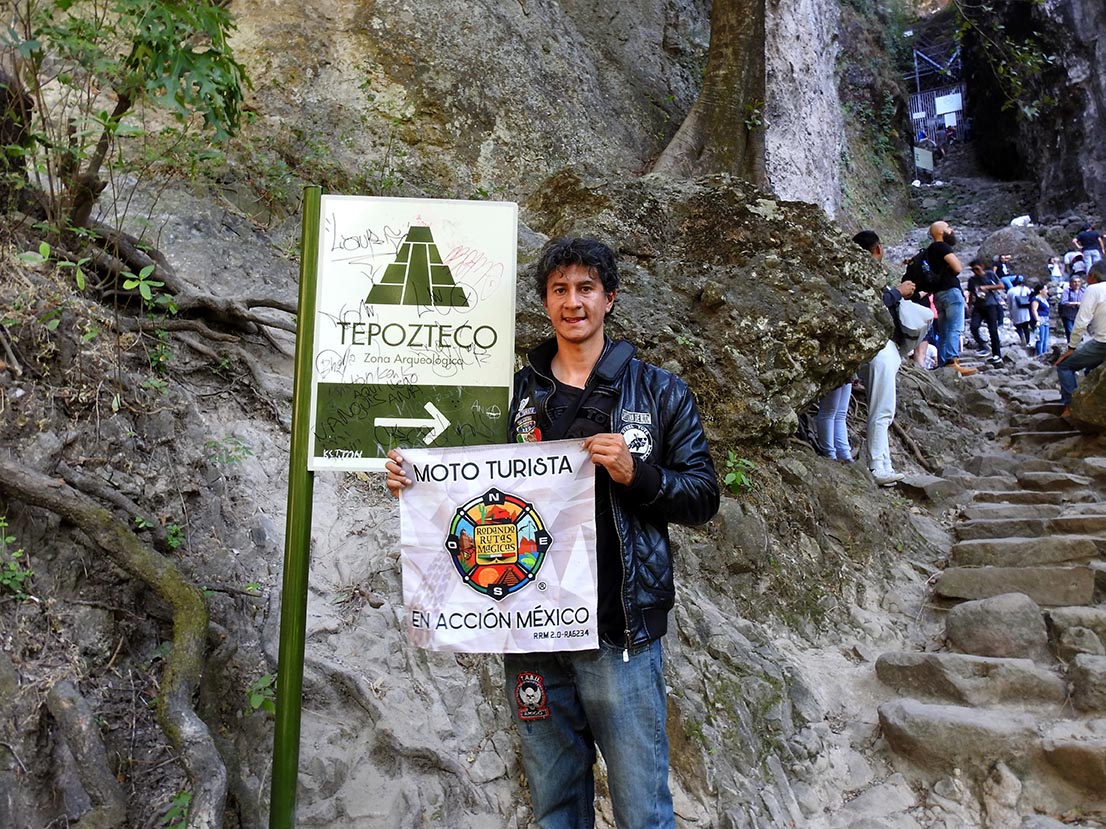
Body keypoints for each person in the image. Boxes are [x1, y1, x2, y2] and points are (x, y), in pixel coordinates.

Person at [385, 236, 721, 828]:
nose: (573, 302)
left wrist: (636, 472)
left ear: (609, 299)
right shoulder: (511, 393)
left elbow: (702, 497)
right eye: (559, 290)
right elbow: (467, 483)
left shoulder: (660, 391)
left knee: (644, 810)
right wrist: (415, 482)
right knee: (555, 810)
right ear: (545, 302)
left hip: (620, 632)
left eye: (586, 288)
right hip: (531, 633)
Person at [853, 230, 912, 486]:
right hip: (878, 350)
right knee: (882, 408)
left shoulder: (853, 272)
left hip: (878, 349)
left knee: (884, 407)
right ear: (878, 248)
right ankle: (877, 465)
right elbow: (874, 305)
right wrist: (898, 292)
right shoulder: (866, 276)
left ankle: (884, 463)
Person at [923, 220, 977, 375]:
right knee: (954, 327)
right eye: (948, 227)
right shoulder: (942, 247)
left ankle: (943, 364)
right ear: (940, 232)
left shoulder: (929, 251)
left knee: (944, 329)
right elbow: (958, 267)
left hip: (938, 294)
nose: (951, 230)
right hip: (951, 291)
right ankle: (952, 362)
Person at [1056, 261, 1106, 418]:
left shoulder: (1093, 289)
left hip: (1102, 343)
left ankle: (1071, 406)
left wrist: (1071, 347)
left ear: (1091, 275)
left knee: (1064, 366)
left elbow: (1081, 321)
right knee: (1090, 369)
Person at [966, 259, 1004, 366]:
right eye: (973, 270)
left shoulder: (990, 275)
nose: (975, 272)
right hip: (978, 306)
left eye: (977, 269)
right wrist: (969, 306)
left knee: (992, 329)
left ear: (982, 266)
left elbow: (1001, 285)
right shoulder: (972, 280)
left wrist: (987, 287)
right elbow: (971, 294)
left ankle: (997, 354)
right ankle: (983, 346)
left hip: (991, 305)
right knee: (973, 327)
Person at [1007, 275, 1033, 346]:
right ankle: (1028, 342)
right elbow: (1031, 297)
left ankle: (1021, 339)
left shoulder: (1010, 290)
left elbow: (1009, 303)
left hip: (1015, 311)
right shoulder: (1026, 289)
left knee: (1018, 327)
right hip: (1025, 310)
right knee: (1026, 327)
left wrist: (1010, 313)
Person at [1059, 275, 1085, 342]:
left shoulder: (1083, 291)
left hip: (1079, 316)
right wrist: (1076, 303)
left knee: (1079, 334)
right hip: (1068, 316)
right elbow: (1064, 302)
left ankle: (1080, 349)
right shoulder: (1067, 291)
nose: (1077, 284)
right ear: (1070, 283)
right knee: (1070, 333)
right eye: (1075, 282)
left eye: (1078, 282)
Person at [1028, 281, 1051, 356]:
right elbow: (1034, 310)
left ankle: (1045, 353)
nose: (1047, 291)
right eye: (1045, 289)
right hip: (1040, 319)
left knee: (1045, 339)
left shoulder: (1044, 299)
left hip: (1046, 319)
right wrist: (1037, 320)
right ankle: (1040, 354)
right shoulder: (1036, 299)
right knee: (1040, 339)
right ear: (1040, 291)